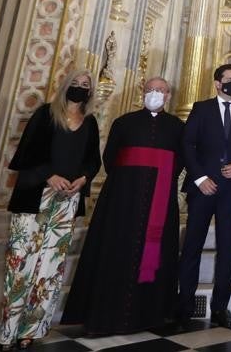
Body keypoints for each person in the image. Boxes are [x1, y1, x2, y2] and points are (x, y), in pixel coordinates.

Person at [62, 77, 184, 335]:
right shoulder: (124, 122)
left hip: (159, 201)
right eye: (151, 89)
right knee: (116, 247)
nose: (155, 93)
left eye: (160, 90)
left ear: (168, 96)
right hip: (122, 200)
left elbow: (180, 162)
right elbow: (110, 158)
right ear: (142, 92)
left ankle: (150, 315)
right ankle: (105, 313)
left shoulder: (177, 127)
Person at [0, 70, 100, 351]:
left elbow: (93, 160)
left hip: (66, 201)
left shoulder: (90, 123)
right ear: (65, 86)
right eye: (76, 84)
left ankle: (31, 330)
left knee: (50, 268)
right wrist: (49, 175)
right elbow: (26, 153)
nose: (80, 88)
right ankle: (8, 330)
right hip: (36, 196)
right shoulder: (45, 114)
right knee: (20, 264)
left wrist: (83, 178)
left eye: (85, 86)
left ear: (90, 92)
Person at [178, 64, 231, 329]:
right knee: (192, 246)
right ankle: (183, 306)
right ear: (217, 83)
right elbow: (187, 144)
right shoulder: (201, 108)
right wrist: (200, 178)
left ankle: (220, 307)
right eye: (229, 80)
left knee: (227, 249)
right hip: (203, 187)